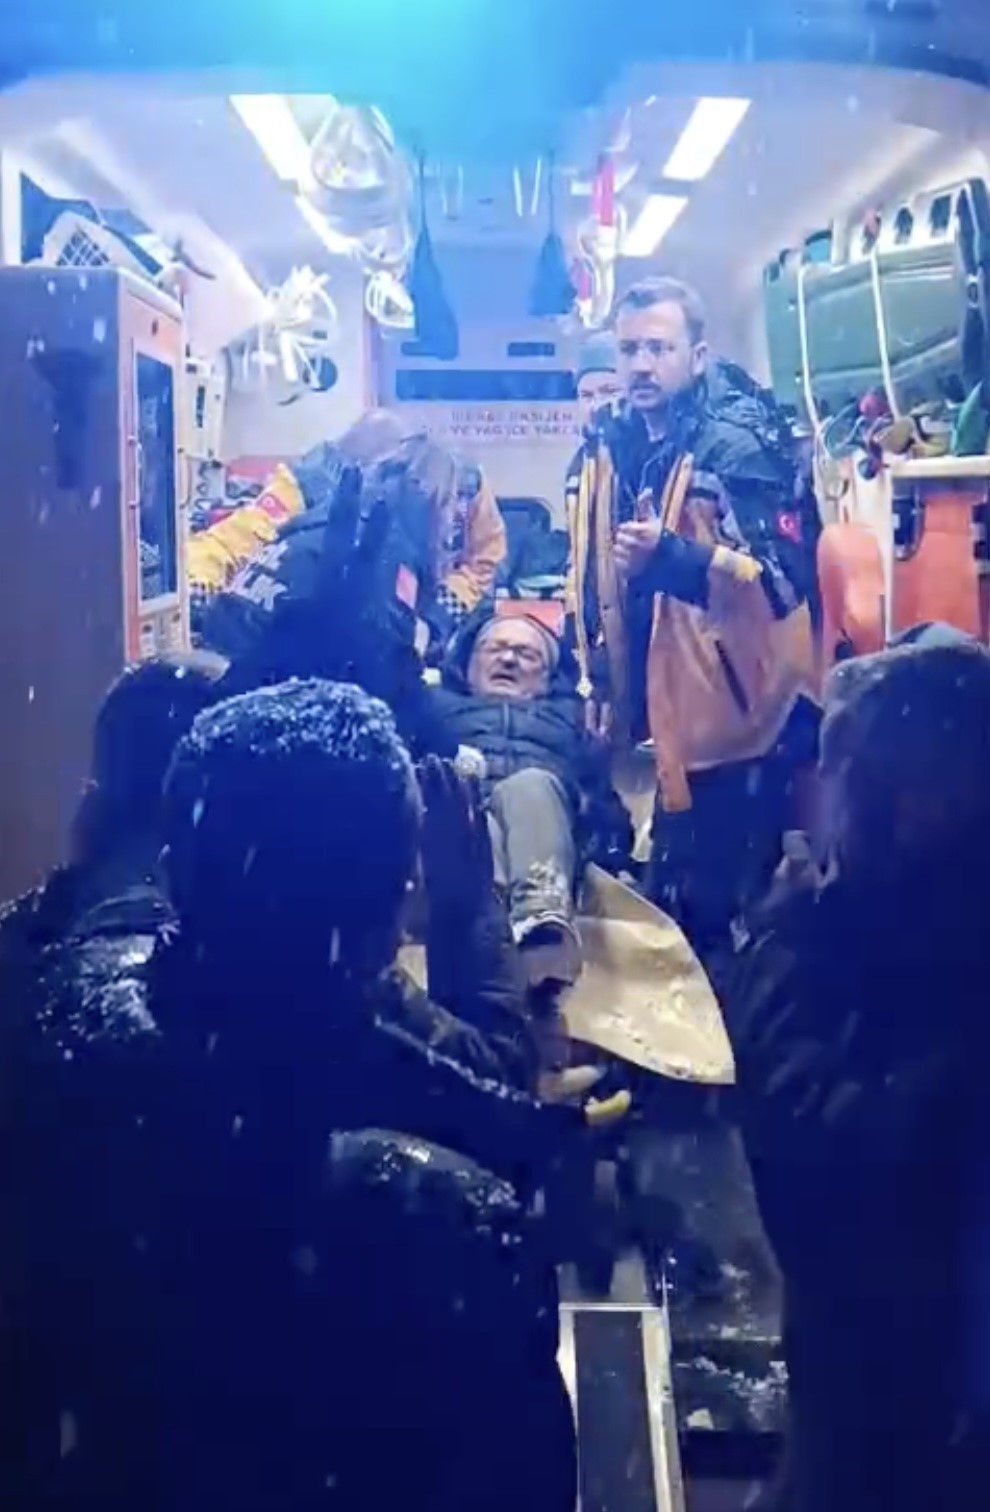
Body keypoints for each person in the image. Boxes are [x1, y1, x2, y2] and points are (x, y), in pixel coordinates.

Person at [726, 628, 990, 1512]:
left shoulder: (946, 976)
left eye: (840, 775)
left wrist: (787, 933)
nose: (820, 799)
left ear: (903, 803)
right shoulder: (920, 921)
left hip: (916, 1445)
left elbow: (817, 1163)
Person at [565, 276, 819, 959]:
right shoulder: (613, 450)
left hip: (742, 728)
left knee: (724, 926)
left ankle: (742, 1024)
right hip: (667, 717)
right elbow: (592, 574)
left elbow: (783, 584)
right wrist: (595, 678)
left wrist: (673, 558)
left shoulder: (738, 449)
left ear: (697, 356)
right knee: (674, 907)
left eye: (659, 348)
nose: (642, 365)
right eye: (629, 350)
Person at [433, 609, 630, 998]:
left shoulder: (574, 721)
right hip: (456, 839)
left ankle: (541, 927)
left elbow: (606, 811)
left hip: (543, 833)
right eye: (495, 649)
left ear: (547, 677)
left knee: (529, 786)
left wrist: (612, 852)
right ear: (467, 665)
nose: (508, 659)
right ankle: (491, 933)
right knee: (473, 815)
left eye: (526, 654)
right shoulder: (432, 710)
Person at [199, 420, 506, 664]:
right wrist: (196, 588)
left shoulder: (463, 482)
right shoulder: (309, 485)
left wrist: (437, 617)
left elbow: (484, 558)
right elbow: (227, 543)